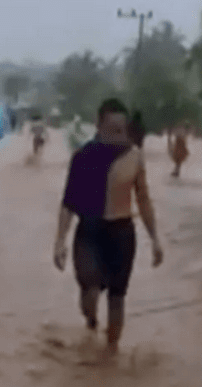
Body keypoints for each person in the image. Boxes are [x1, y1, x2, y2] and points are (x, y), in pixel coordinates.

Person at [53, 98, 164, 359]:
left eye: (122, 130)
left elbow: (144, 199)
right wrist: (60, 242)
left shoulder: (134, 157)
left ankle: (111, 355)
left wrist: (155, 239)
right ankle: (91, 319)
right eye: (113, 129)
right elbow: (68, 203)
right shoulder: (82, 158)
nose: (119, 136)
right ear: (98, 125)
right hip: (89, 232)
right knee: (90, 290)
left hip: (122, 233)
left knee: (117, 297)